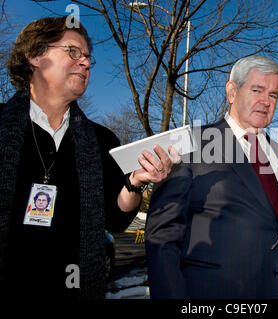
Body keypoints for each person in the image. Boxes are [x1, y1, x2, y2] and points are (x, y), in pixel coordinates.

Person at [0, 16, 178, 299]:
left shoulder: (101, 140)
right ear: (34, 56)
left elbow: (116, 220)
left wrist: (135, 182)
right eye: (72, 52)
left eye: (87, 58)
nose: (84, 63)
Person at [146, 55, 278, 299]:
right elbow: (163, 236)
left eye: (273, 95)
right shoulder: (189, 145)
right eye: (257, 90)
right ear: (232, 92)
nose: (266, 101)